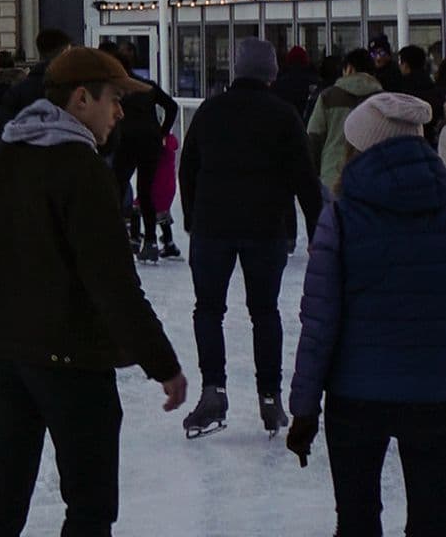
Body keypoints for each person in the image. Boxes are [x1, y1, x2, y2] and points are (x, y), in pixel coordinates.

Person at [0, 46, 187, 537]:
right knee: (90, 506)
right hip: (68, 357)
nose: (119, 112)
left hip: (2, 351)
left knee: (3, 496)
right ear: (81, 98)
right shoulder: (82, 170)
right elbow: (112, 283)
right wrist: (163, 363)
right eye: (113, 99)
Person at [285, 92, 446, 536]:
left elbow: (319, 323)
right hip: (436, 399)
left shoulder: (341, 217)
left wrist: (303, 409)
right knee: (434, 521)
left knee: (356, 521)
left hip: (356, 399)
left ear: (360, 148)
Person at [178, 36, 324, 438]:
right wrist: (317, 231)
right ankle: (270, 397)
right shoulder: (283, 115)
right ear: (271, 74)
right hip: (265, 228)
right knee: (265, 312)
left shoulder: (210, 111)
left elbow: (187, 167)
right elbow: (305, 179)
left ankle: (214, 390)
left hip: (213, 226)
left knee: (209, 309)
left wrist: (193, 217)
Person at [109, 55, 182, 262]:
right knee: (145, 190)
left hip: (126, 143)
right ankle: (150, 239)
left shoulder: (116, 89)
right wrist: (161, 132)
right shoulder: (147, 87)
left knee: (118, 185)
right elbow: (172, 106)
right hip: (150, 143)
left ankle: (122, 235)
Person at [307, 49, 384, 195]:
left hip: (333, 176)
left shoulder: (328, 96)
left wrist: (315, 172)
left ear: (349, 68)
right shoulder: (384, 99)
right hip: (373, 177)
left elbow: (314, 138)